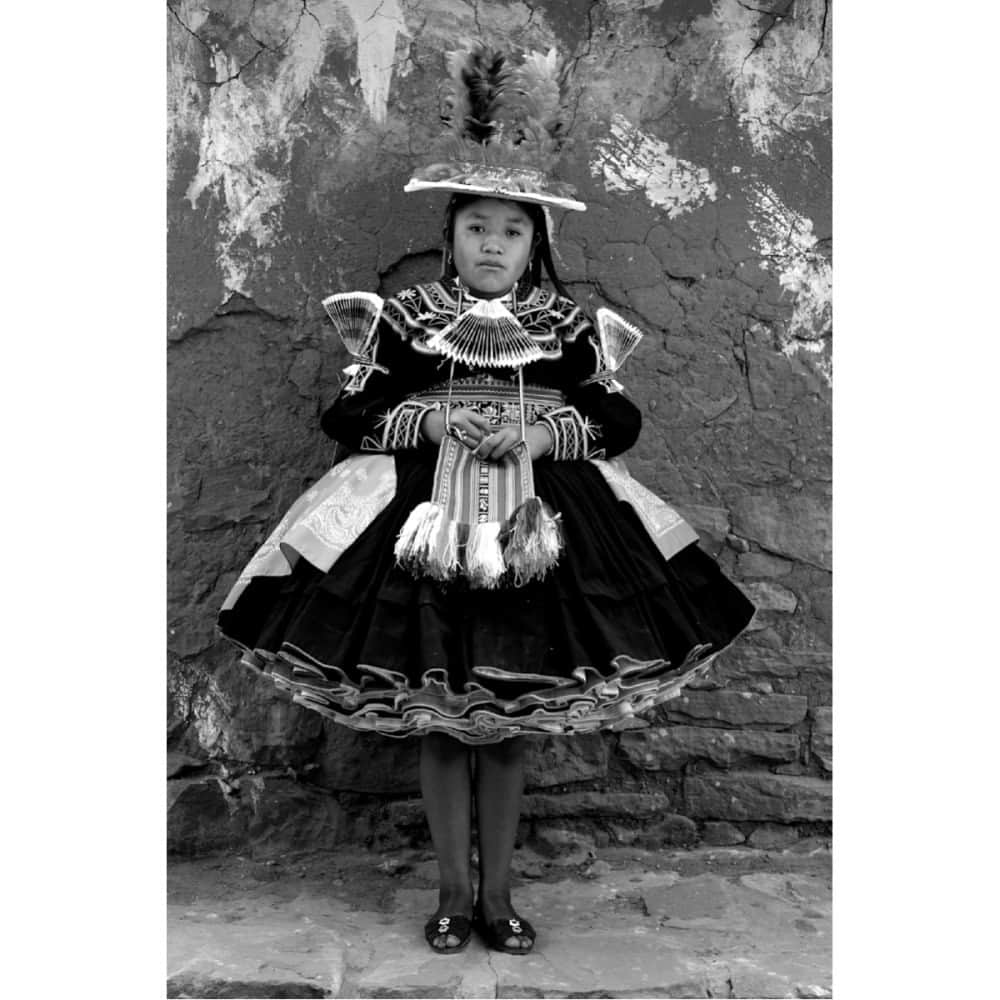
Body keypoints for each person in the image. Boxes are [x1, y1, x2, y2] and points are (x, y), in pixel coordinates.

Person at [217, 44, 755, 956]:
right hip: (416, 533)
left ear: (534, 243)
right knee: (438, 719)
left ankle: (499, 896)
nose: (493, 244)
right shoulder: (407, 321)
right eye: (476, 229)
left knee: (508, 726)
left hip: (544, 532)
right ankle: (451, 892)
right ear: (450, 237)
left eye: (511, 230)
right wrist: (422, 425)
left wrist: (547, 435)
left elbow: (617, 421)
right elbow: (347, 411)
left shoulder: (567, 331)